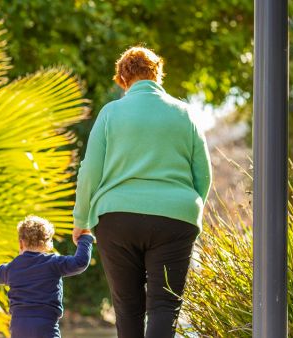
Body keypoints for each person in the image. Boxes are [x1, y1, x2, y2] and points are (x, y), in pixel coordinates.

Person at [72, 46, 212, 338]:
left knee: (127, 308)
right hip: (175, 219)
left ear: (122, 79)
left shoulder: (110, 113)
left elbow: (89, 171)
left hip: (116, 218)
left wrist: (82, 220)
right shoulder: (185, 114)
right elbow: (204, 175)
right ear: (158, 74)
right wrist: (189, 212)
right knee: (164, 305)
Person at [0, 216, 93, 338]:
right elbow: (80, 262)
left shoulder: (12, 267)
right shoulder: (53, 263)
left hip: (19, 326)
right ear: (48, 244)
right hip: (45, 325)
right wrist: (85, 238)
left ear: (21, 243)